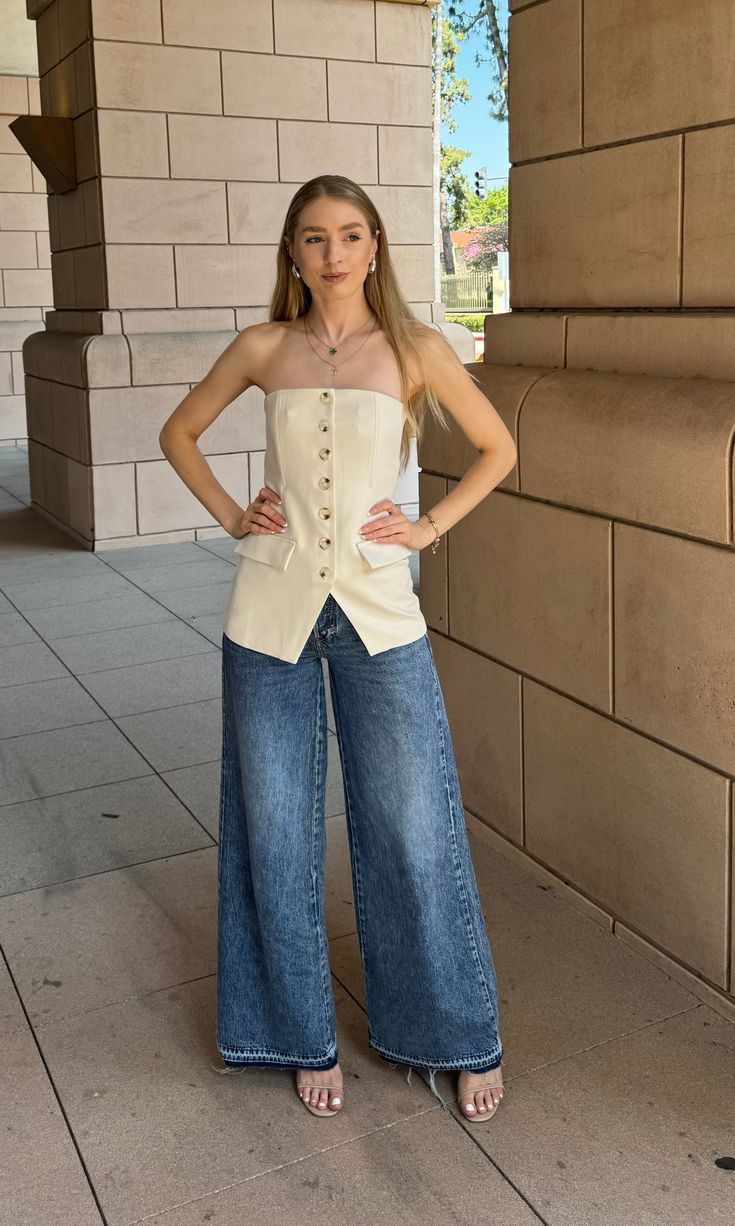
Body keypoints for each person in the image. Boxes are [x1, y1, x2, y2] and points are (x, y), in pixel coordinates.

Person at [159, 174, 518, 1124]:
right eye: (314, 238)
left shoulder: (415, 349)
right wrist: (236, 515)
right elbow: (179, 430)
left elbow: (497, 449)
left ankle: (454, 1034)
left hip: (378, 614)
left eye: (349, 235)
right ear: (293, 252)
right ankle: (293, 1033)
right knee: (272, 830)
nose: (333, 253)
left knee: (410, 826)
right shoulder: (263, 346)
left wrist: (428, 527)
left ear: (374, 248)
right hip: (268, 611)